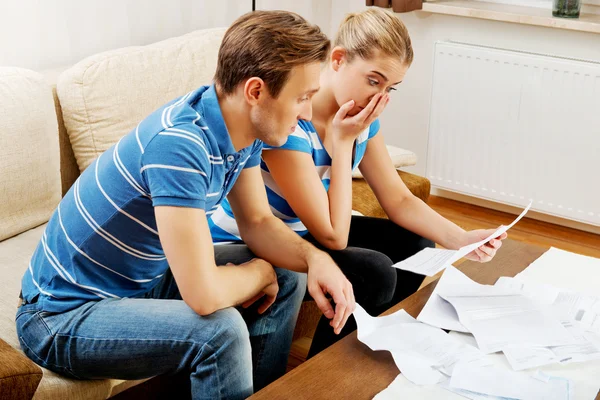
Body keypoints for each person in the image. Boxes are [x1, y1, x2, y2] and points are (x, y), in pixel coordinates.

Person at [16, 11, 356, 399]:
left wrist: (316, 260)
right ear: (256, 91)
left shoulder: (240, 126)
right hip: (61, 317)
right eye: (302, 98)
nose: (308, 114)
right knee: (221, 331)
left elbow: (258, 220)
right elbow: (204, 295)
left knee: (288, 275)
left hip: (140, 282)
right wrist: (258, 271)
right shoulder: (180, 145)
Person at [209, 8, 507, 358]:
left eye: (390, 87)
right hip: (262, 241)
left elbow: (397, 198)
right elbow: (333, 236)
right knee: (375, 272)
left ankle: (368, 344)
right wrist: (343, 145)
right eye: (373, 80)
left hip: (307, 229)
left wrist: (460, 239)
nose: (379, 97)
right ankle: (325, 370)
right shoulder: (290, 123)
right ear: (338, 60)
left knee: (421, 244)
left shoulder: (361, 120)